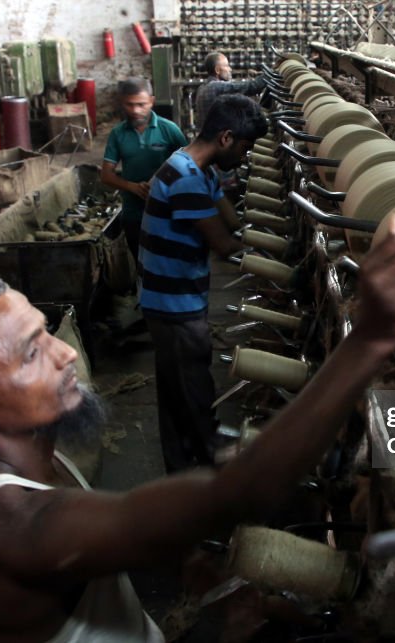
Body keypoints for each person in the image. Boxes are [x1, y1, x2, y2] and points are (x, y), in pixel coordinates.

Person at [0, 223, 395, 642]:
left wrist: (178, 556)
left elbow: (98, 539)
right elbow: (242, 493)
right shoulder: (13, 529)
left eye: (46, 331)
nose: (66, 352)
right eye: (32, 352)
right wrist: (370, 338)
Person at [138, 94, 268, 472]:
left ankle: (182, 463)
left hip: (172, 297)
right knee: (192, 387)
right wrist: (281, 266)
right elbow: (225, 244)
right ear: (226, 138)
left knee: (177, 389)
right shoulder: (185, 181)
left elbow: (233, 222)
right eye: (245, 148)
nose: (245, 157)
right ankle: (205, 466)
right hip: (172, 304)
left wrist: (261, 238)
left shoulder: (198, 169)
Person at [101, 78, 188, 259]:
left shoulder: (169, 130)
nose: (135, 111)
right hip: (134, 214)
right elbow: (106, 176)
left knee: (169, 260)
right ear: (121, 102)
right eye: (129, 105)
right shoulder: (117, 134)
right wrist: (132, 187)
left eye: (141, 104)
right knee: (140, 260)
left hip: (168, 212)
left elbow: (190, 167)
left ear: (152, 101)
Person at [193, 52, 267, 130]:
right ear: (217, 70)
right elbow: (252, 87)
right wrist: (272, 73)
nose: (230, 69)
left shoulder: (202, 87)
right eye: (227, 66)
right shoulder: (215, 86)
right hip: (217, 138)